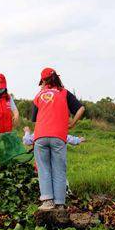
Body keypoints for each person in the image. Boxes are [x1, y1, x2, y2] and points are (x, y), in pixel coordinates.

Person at [31, 67, 85, 211]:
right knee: (59, 170)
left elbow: (35, 119)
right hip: (59, 136)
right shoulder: (64, 93)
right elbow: (81, 109)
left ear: (43, 81)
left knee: (44, 169)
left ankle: (48, 201)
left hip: (41, 136)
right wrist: (72, 123)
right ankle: (60, 203)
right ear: (57, 78)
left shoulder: (39, 95)